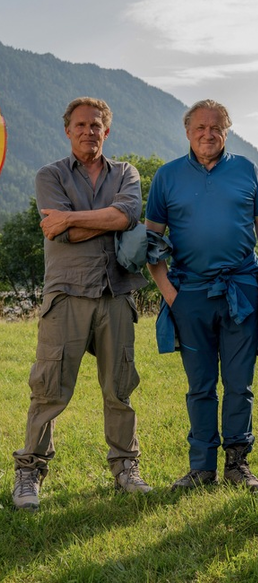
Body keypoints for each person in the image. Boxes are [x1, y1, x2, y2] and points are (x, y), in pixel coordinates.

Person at [12, 97, 151, 511]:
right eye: (80, 125)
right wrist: (102, 220)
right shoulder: (49, 175)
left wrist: (72, 217)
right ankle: (29, 472)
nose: (88, 131)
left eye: (96, 125)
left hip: (115, 294)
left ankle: (126, 467)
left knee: (119, 389)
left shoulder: (126, 172)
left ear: (106, 131)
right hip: (67, 295)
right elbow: (60, 234)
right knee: (49, 388)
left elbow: (126, 216)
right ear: (67, 130)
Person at [146, 99, 258, 495]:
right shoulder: (167, 177)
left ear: (227, 131)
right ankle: (201, 467)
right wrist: (171, 295)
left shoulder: (247, 171)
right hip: (189, 294)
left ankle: (238, 465)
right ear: (188, 132)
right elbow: (151, 241)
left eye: (217, 127)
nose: (209, 134)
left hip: (241, 290)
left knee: (240, 384)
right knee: (200, 386)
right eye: (200, 128)